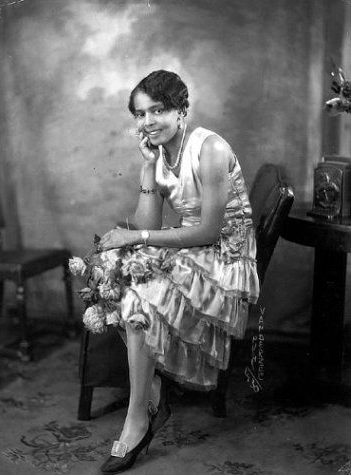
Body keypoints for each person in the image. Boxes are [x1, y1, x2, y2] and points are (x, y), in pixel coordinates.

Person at [96, 70, 260, 473]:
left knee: (137, 291)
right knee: (113, 274)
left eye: (158, 110)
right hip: (191, 243)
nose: (148, 122)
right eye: (140, 114)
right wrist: (149, 170)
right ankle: (152, 394)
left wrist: (139, 240)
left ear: (182, 110)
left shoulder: (210, 148)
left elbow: (208, 229)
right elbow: (147, 219)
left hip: (225, 254)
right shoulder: (159, 151)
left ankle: (138, 418)